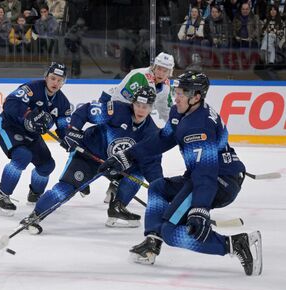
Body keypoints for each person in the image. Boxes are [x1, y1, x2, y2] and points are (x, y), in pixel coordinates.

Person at [98, 71, 262, 277]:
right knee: (158, 187)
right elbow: (162, 139)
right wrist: (127, 156)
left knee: (172, 233)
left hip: (220, 181)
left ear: (196, 97)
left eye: (182, 93)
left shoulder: (199, 126)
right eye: (177, 91)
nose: (176, 97)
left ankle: (235, 243)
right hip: (203, 177)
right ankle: (151, 242)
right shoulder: (180, 111)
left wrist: (200, 208)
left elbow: (206, 171)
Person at [21, 86, 163, 231]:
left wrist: (159, 185)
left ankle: (117, 207)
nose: (140, 110)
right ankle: (35, 215)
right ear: (132, 103)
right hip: (89, 155)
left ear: (151, 107)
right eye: (138, 105)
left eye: (145, 106)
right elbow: (85, 111)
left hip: (114, 164)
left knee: (137, 174)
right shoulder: (116, 110)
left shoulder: (152, 133)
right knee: (67, 188)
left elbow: (152, 163)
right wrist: (73, 130)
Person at [0, 62, 72, 216]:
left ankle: (35, 195)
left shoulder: (63, 103)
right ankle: (2, 197)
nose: (55, 82)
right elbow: (10, 103)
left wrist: (69, 140)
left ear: (64, 82)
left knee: (47, 165)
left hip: (31, 134)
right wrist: (28, 114)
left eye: (59, 80)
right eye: (53, 78)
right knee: (22, 156)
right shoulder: (31, 88)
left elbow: (64, 128)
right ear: (46, 77)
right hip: (9, 127)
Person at [109, 52, 174, 125]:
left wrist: (174, 126)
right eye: (159, 69)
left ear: (169, 72)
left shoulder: (166, 87)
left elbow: (166, 110)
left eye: (165, 71)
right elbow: (122, 99)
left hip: (136, 115)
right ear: (154, 67)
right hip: (113, 105)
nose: (161, 73)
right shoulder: (140, 76)